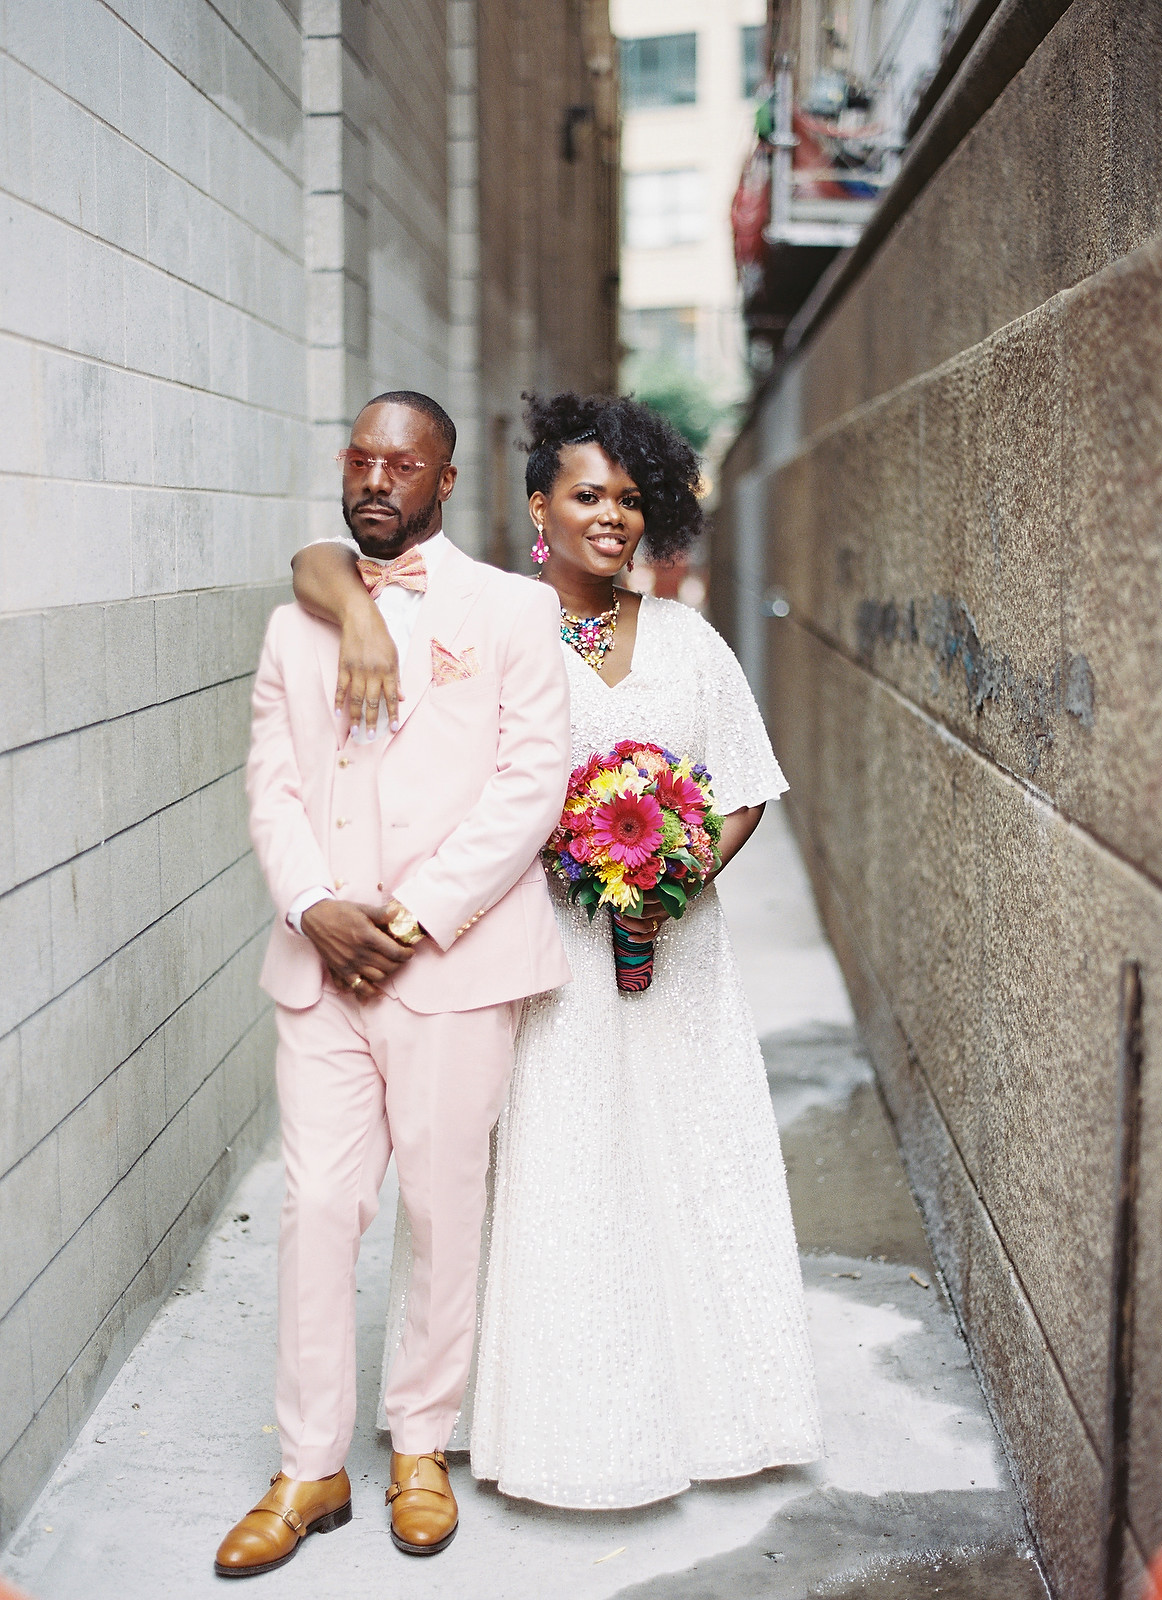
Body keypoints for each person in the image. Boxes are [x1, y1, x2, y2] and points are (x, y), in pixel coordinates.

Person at [291, 391, 823, 1511]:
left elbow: (744, 789)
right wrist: (360, 611)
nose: (613, 518)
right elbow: (322, 565)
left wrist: (675, 880)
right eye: (587, 495)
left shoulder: (689, 641)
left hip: (672, 960)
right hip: (542, 958)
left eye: (632, 500)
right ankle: (531, 1418)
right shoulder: (483, 621)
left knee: (685, 1164)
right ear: (538, 505)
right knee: (558, 1174)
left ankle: (712, 1407)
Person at [217, 391, 571, 1575]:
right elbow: (270, 781)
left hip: (450, 965)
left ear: (444, 480)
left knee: (439, 1207)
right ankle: (309, 1463)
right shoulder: (293, 627)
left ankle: (419, 1442)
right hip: (321, 967)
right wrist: (313, 904)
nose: (377, 480)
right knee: (318, 1208)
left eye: (402, 465)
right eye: (360, 460)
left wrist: (410, 918)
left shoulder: (513, 612)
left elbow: (530, 786)